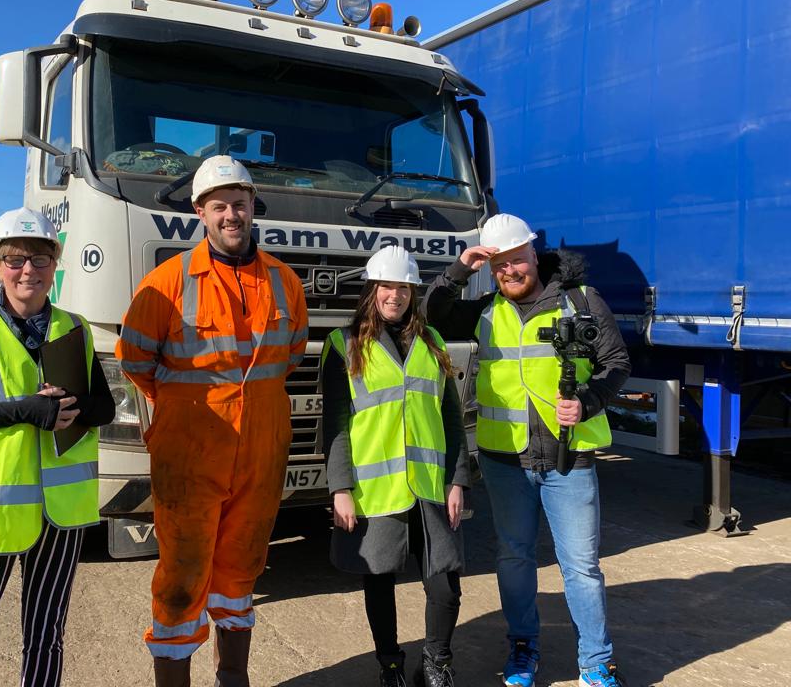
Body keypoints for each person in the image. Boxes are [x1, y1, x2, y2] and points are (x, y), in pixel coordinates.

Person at [116, 155, 308, 687]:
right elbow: (134, 359)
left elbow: (289, 356)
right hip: (189, 453)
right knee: (182, 576)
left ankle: (233, 678)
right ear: (200, 212)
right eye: (219, 206)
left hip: (261, 452)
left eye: (239, 204)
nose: (231, 215)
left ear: (253, 207)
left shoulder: (285, 281)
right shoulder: (167, 282)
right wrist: (184, 410)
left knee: (241, 571)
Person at [423, 214, 631, 687]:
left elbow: (617, 362)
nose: (509, 271)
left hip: (569, 459)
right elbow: (432, 313)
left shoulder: (582, 301)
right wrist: (460, 268)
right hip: (505, 461)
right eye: (499, 265)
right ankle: (523, 648)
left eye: (516, 260)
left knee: (581, 566)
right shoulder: (485, 310)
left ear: (534, 255)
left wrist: (588, 400)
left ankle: (596, 663)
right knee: (514, 559)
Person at [0, 207, 116, 687]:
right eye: (15, 259)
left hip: (59, 514)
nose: (27, 269)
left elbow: (104, 408)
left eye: (40, 259)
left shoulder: (74, 328)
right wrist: (25, 410)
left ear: (54, 267)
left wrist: (71, 405)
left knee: (46, 637)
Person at [322, 245, 470, 687]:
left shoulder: (433, 341)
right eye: (386, 286)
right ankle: (390, 666)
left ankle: (437, 662)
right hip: (375, 490)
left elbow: (451, 417)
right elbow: (335, 424)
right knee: (379, 582)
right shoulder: (342, 344)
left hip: (430, 486)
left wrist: (458, 479)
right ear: (371, 290)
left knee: (445, 584)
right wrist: (340, 488)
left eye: (404, 287)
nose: (395, 295)